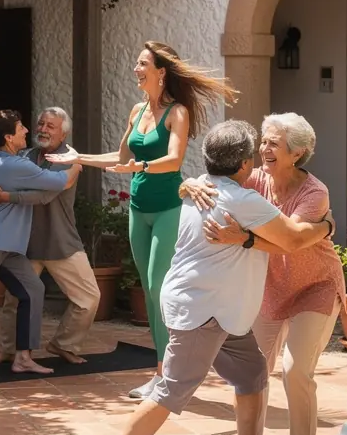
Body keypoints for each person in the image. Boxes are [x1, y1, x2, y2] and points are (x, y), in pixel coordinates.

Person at [96, 120, 335, 435]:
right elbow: (291, 239)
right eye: (256, 150)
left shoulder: (202, 187)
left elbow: (196, 189)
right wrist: (327, 227)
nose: (261, 155)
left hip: (220, 308)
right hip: (202, 310)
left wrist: (189, 184)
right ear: (243, 164)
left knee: (253, 373)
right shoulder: (243, 199)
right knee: (172, 390)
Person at [48, 42, 236, 398]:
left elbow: (174, 159)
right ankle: (162, 373)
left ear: (161, 72)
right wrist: (77, 158)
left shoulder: (177, 112)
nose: (136, 68)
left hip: (168, 207)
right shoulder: (137, 111)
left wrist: (142, 166)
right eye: (136, 63)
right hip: (139, 208)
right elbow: (119, 157)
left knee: (156, 288)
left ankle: (170, 374)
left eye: (142, 63)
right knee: (150, 293)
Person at [180, 113, 346, 435]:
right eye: (264, 141)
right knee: (251, 369)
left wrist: (245, 239)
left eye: (273, 143)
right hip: (271, 287)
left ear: (298, 152)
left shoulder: (314, 192)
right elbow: (206, 180)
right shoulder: (254, 179)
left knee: (295, 370)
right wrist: (189, 185)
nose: (263, 149)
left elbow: (296, 241)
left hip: (315, 286)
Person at [0, 109, 79, 375]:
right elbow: (60, 181)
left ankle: (23, 358)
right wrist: (77, 164)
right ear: (10, 137)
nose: (27, 130)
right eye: (21, 127)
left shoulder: (5, 159)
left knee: (33, 289)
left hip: (7, 247)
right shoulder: (13, 165)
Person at [0, 106, 101, 364]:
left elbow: (45, 195)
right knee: (14, 300)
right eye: (41, 124)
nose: (43, 130)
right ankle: (9, 349)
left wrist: (5, 197)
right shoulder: (25, 154)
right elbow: (3, 158)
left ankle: (64, 344)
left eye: (51, 126)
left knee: (88, 298)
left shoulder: (70, 159)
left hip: (61, 241)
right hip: (26, 243)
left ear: (63, 133)